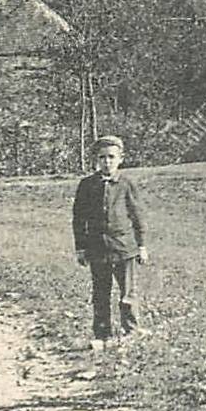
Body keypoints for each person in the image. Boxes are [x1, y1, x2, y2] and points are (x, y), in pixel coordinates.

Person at [71, 135, 148, 350]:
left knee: (127, 293)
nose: (107, 162)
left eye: (111, 157)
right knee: (100, 293)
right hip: (97, 249)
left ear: (120, 159)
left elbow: (137, 216)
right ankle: (102, 334)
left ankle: (131, 331)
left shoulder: (126, 184)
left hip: (124, 248)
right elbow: (79, 218)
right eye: (102, 157)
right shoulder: (87, 185)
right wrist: (81, 247)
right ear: (96, 160)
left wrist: (141, 245)